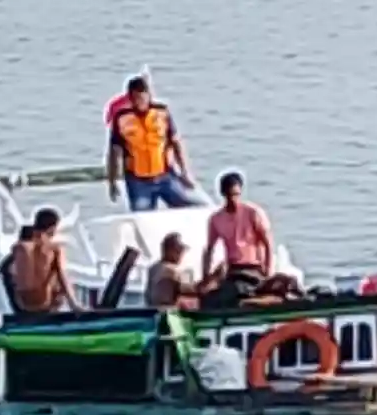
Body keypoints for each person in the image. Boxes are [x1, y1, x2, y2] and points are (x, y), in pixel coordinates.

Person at [105, 76, 198, 212]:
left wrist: (185, 172)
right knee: (142, 214)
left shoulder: (161, 113)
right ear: (130, 99)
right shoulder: (122, 118)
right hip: (138, 181)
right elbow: (114, 152)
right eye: (136, 99)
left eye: (143, 98)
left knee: (191, 207)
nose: (140, 102)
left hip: (165, 175)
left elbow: (176, 142)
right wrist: (112, 182)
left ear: (149, 95)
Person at [200, 171, 275, 308]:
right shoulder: (216, 219)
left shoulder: (253, 213)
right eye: (230, 195)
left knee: (240, 291)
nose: (233, 199)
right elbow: (209, 249)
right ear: (223, 194)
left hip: (254, 267)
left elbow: (267, 243)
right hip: (234, 269)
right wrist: (205, 276)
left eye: (236, 195)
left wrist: (268, 271)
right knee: (212, 298)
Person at [10, 208, 84, 314]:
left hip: (22, 302)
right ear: (52, 228)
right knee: (56, 270)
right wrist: (74, 304)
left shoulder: (18, 247)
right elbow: (62, 277)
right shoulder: (54, 249)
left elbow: (12, 271)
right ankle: (68, 306)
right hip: (45, 302)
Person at [145, 232, 215, 309]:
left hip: (152, 312)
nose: (182, 253)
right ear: (170, 250)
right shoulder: (171, 270)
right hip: (167, 315)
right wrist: (214, 278)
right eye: (180, 250)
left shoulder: (153, 268)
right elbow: (196, 290)